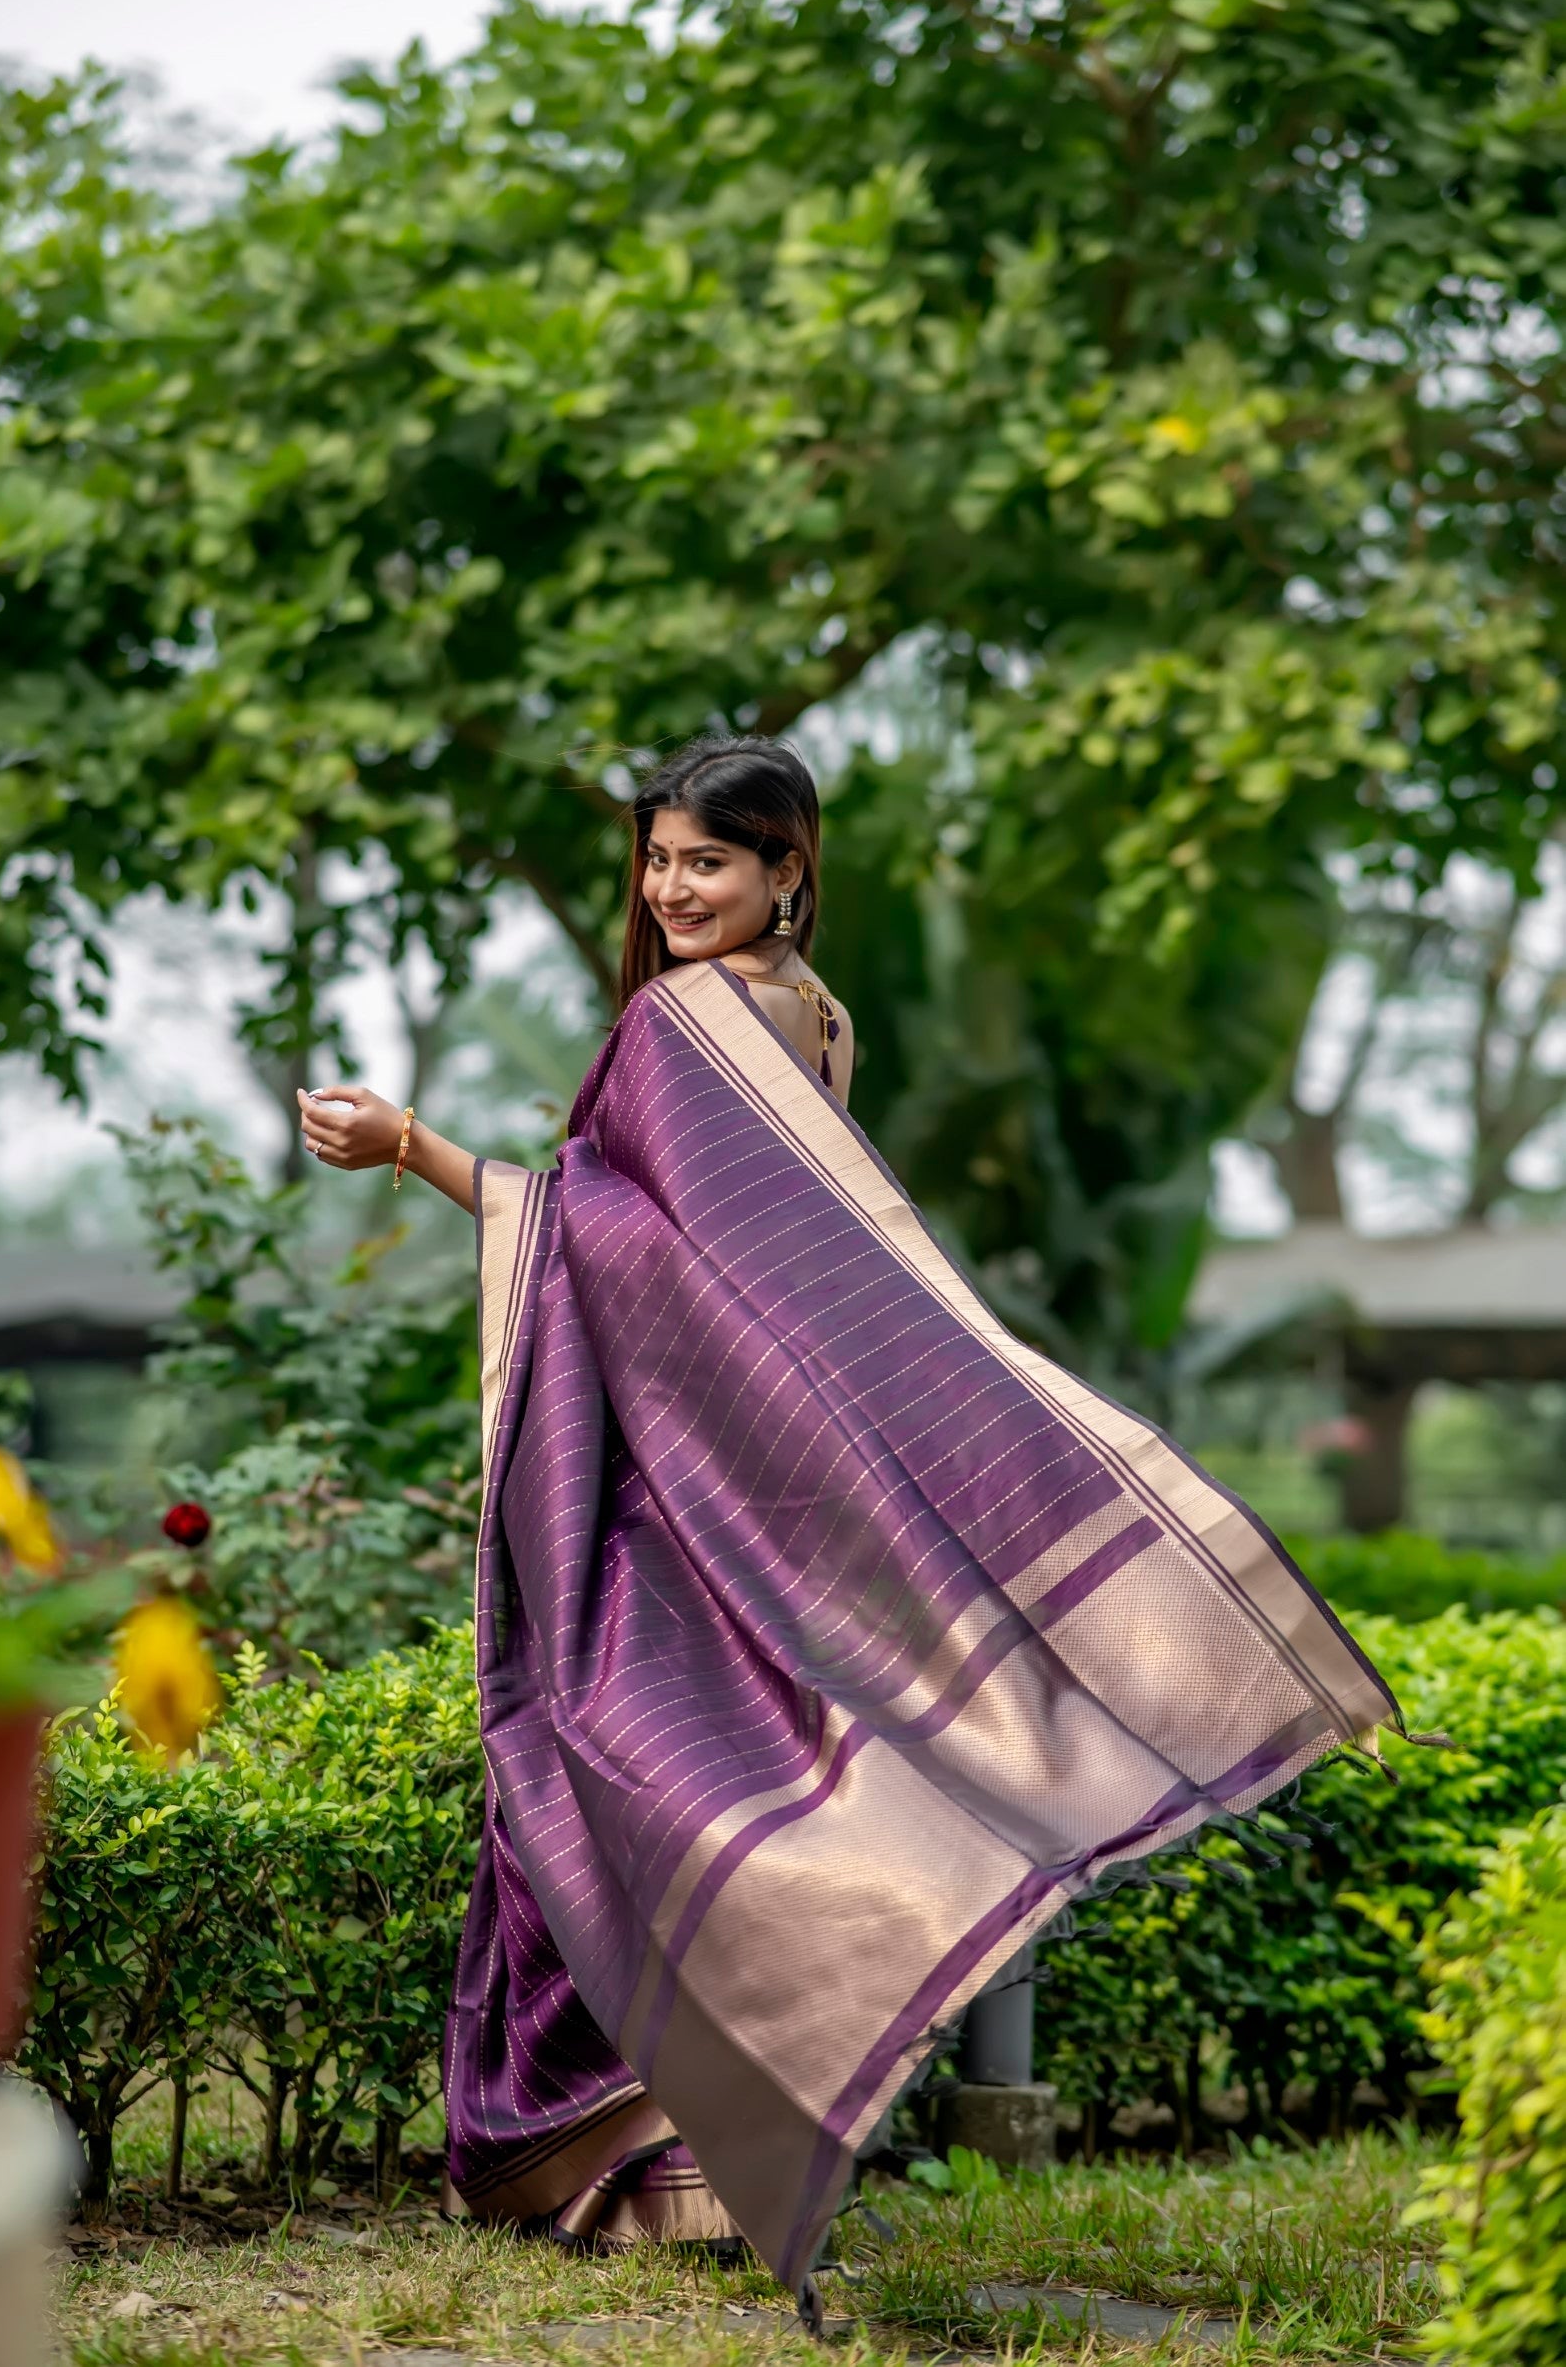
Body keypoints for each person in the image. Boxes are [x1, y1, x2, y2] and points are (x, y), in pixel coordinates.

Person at [300, 733, 1396, 2313]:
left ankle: (631, 2164)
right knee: (747, 1777)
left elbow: (634, 1255)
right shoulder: (812, 1021)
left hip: (679, 1484)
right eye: (660, 860)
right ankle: (707, 2149)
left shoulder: (689, 1023)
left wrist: (410, 1147)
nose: (675, 889)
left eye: (710, 863)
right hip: (748, 1480)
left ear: (787, 869)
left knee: (599, 1761)